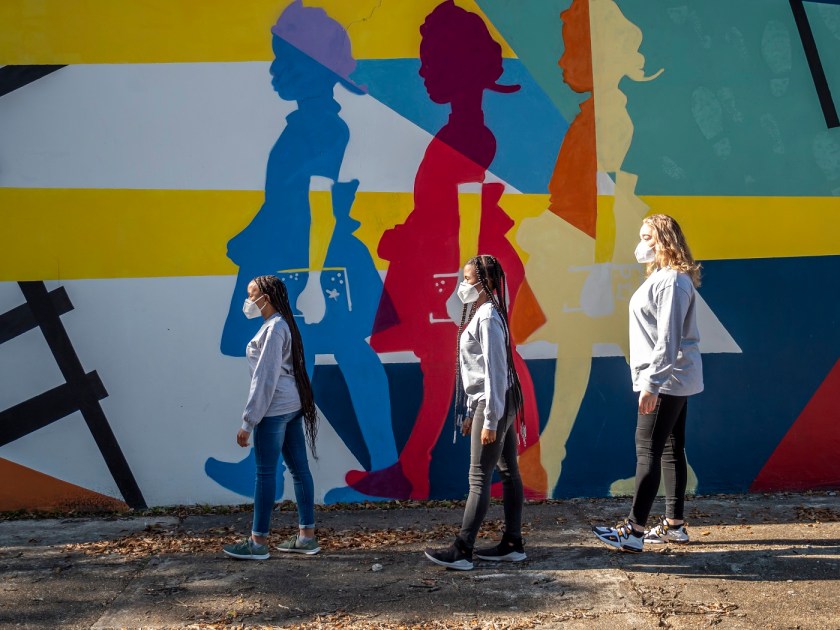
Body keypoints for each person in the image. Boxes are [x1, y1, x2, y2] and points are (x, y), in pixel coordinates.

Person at [592, 215, 703, 553]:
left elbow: (668, 339)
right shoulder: (663, 278)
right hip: (671, 377)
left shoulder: (671, 282)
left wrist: (652, 384)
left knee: (648, 449)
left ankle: (633, 530)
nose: (641, 244)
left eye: (647, 237)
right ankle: (674, 525)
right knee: (670, 449)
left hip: (666, 379)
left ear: (664, 241)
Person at [424, 255, 527, 570]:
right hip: (495, 399)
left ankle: (462, 551)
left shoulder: (486, 318)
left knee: (479, 477)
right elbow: (481, 371)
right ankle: (512, 544)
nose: (462, 285)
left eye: (468, 280)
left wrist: (491, 420)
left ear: (487, 283)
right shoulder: (486, 313)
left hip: (495, 401)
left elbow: (495, 372)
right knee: (508, 473)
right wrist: (472, 411)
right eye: (464, 278)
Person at [223, 275, 321, 560]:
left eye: (251, 294)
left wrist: (247, 422)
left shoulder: (274, 328)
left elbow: (264, 378)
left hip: (274, 408)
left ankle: (257, 542)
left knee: (265, 472)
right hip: (289, 405)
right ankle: (306, 538)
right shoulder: (279, 325)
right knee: (299, 469)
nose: (248, 300)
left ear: (266, 297)